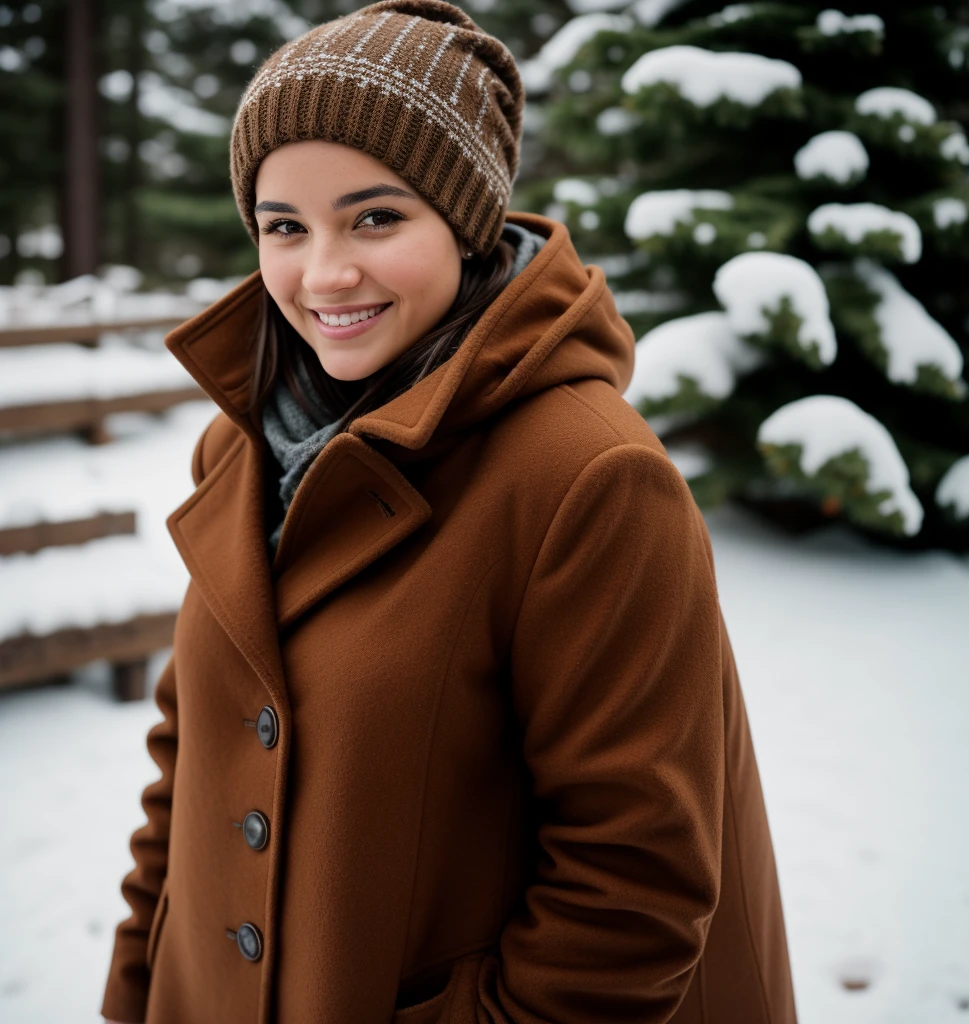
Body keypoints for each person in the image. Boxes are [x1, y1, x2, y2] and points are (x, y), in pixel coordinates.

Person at [100, 2, 797, 1022]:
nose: (323, 272)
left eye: (375, 217)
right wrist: (135, 992)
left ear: (466, 223)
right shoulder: (243, 445)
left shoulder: (589, 479)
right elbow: (191, 758)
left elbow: (632, 889)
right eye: (283, 227)